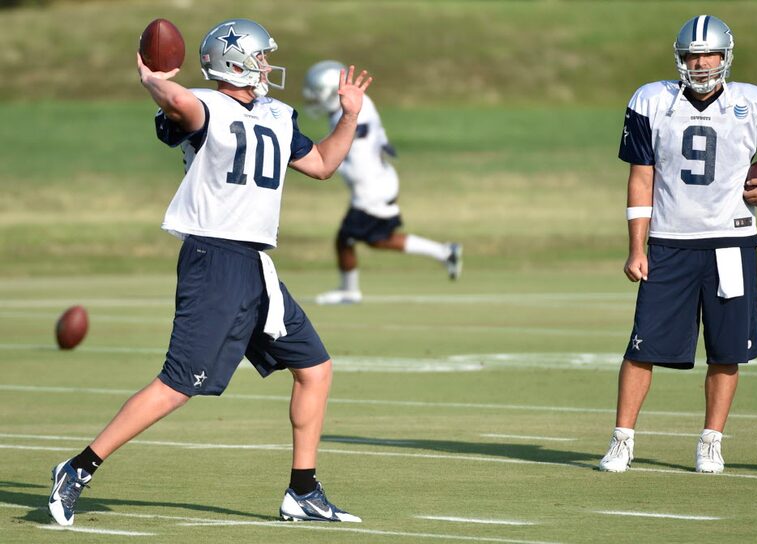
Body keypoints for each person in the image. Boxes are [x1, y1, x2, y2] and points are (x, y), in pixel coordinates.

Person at [48, 18, 370, 525]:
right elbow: (179, 104)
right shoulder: (204, 106)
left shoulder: (277, 115)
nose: (266, 65)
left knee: (315, 369)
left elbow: (325, 165)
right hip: (214, 258)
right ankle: (78, 468)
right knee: (180, 383)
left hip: (256, 264)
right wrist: (153, 77)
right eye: (259, 57)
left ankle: (302, 491)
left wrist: (348, 117)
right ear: (235, 61)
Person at [598, 14, 757, 474]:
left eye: (708, 53)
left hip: (730, 241)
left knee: (726, 349)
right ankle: (622, 439)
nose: (700, 63)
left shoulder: (754, 103)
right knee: (642, 346)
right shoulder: (651, 100)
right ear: (680, 58)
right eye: (692, 55)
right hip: (669, 240)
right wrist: (637, 246)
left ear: (725, 56)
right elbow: (641, 178)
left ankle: (711, 441)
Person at [302, 60, 462, 305]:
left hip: (371, 188)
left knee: (346, 239)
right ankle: (444, 252)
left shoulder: (350, 116)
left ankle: (349, 291)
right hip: (380, 180)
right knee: (378, 239)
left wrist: (320, 163)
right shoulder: (358, 106)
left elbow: (353, 158)